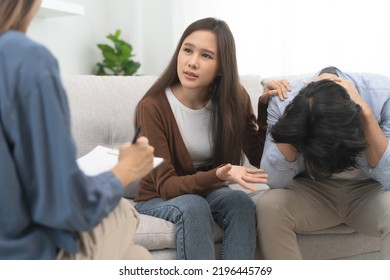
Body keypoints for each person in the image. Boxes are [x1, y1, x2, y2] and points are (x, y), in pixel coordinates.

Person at [0, 0, 155, 260]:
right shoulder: (24, 58)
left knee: (136, 257)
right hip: (24, 255)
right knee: (121, 211)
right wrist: (125, 170)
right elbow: (63, 205)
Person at [133, 17, 280, 260]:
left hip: (207, 190)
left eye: (206, 56)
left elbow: (258, 157)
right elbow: (167, 186)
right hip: (158, 195)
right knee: (193, 206)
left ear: (222, 67)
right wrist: (219, 175)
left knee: (240, 203)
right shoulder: (152, 107)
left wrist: (266, 107)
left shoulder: (234, 97)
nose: (192, 62)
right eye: (187, 50)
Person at [257, 66, 390, 259]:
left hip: (368, 190)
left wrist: (366, 115)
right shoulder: (283, 99)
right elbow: (275, 180)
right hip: (312, 190)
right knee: (269, 205)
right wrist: (293, 119)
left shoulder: (384, 96)